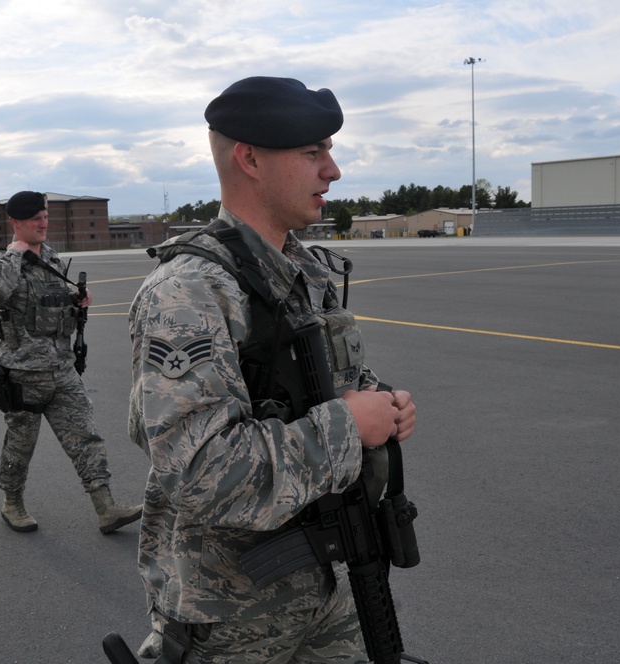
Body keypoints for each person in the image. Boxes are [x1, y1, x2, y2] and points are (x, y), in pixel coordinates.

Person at [128, 77, 417, 663]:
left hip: (322, 587)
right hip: (230, 615)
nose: (332, 171)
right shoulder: (189, 291)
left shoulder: (302, 270)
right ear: (250, 159)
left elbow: (322, 387)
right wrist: (348, 427)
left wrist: (380, 404)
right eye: (313, 153)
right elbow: (198, 472)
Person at [0, 191, 142, 535]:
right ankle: (12, 502)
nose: (43, 224)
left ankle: (106, 508)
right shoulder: (0, 263)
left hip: (62, 369)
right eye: (35, 219)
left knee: (86, 437)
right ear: (15, 222)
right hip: (24, 375)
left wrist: (76, 301)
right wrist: (16, 253)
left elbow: (52, 302)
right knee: (21, 445)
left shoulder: (52, 259)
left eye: (45, 217)